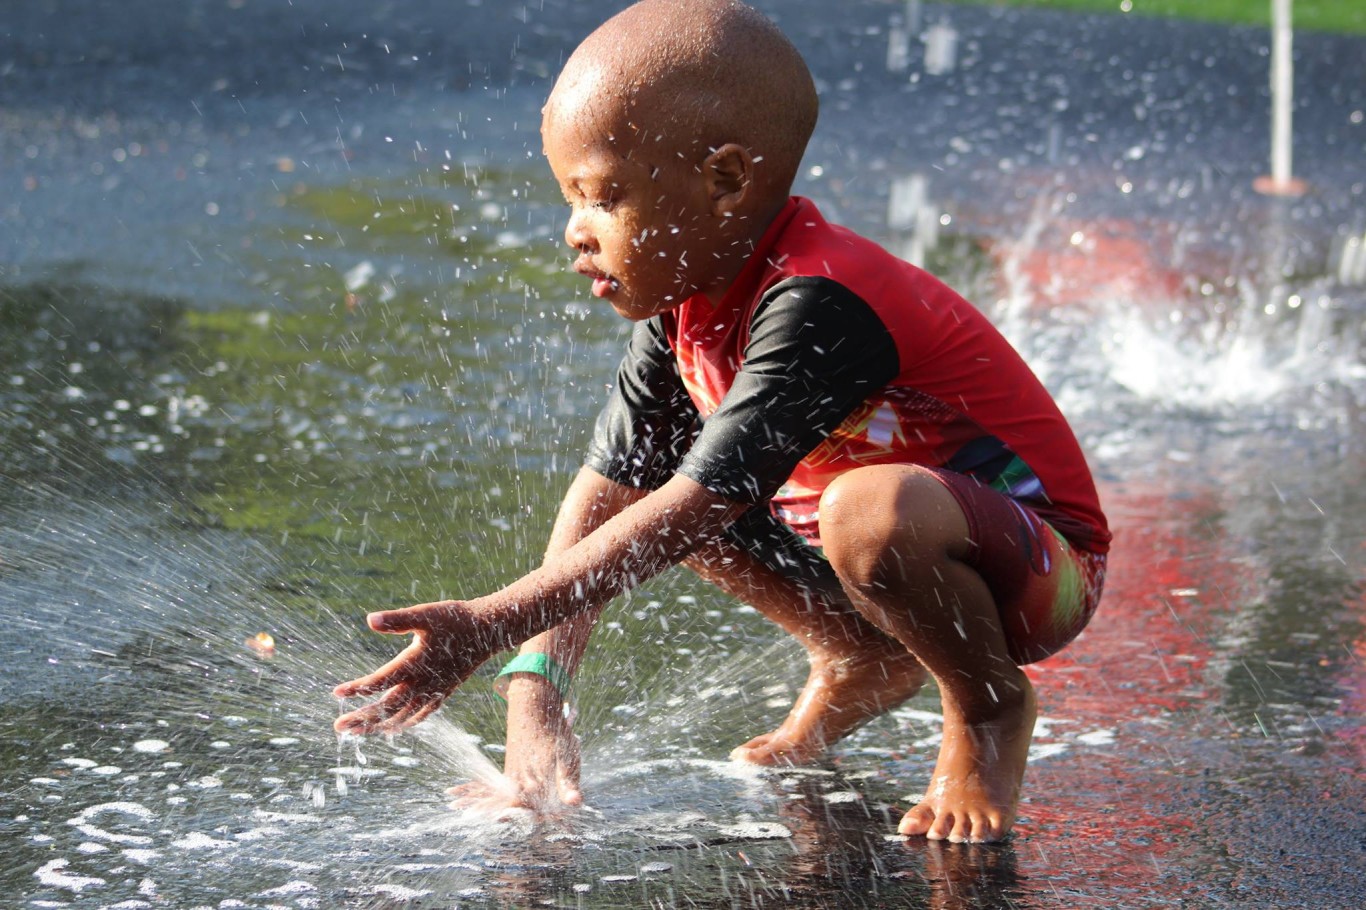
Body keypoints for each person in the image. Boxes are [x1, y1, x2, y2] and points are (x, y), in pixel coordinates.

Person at [333, 0, 1109, 844]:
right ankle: (864, 655)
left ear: (728, 180)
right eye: (570, 199)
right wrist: (535, 689)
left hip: (1035, 569)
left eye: (604, 197)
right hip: (877, 561)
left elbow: (697, 507)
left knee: (846, 510)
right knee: (660, 500)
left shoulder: (821, 298)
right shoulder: (682, 306)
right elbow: (608, 501)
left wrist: (492, 621)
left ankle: (988, 709)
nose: (574, 233)